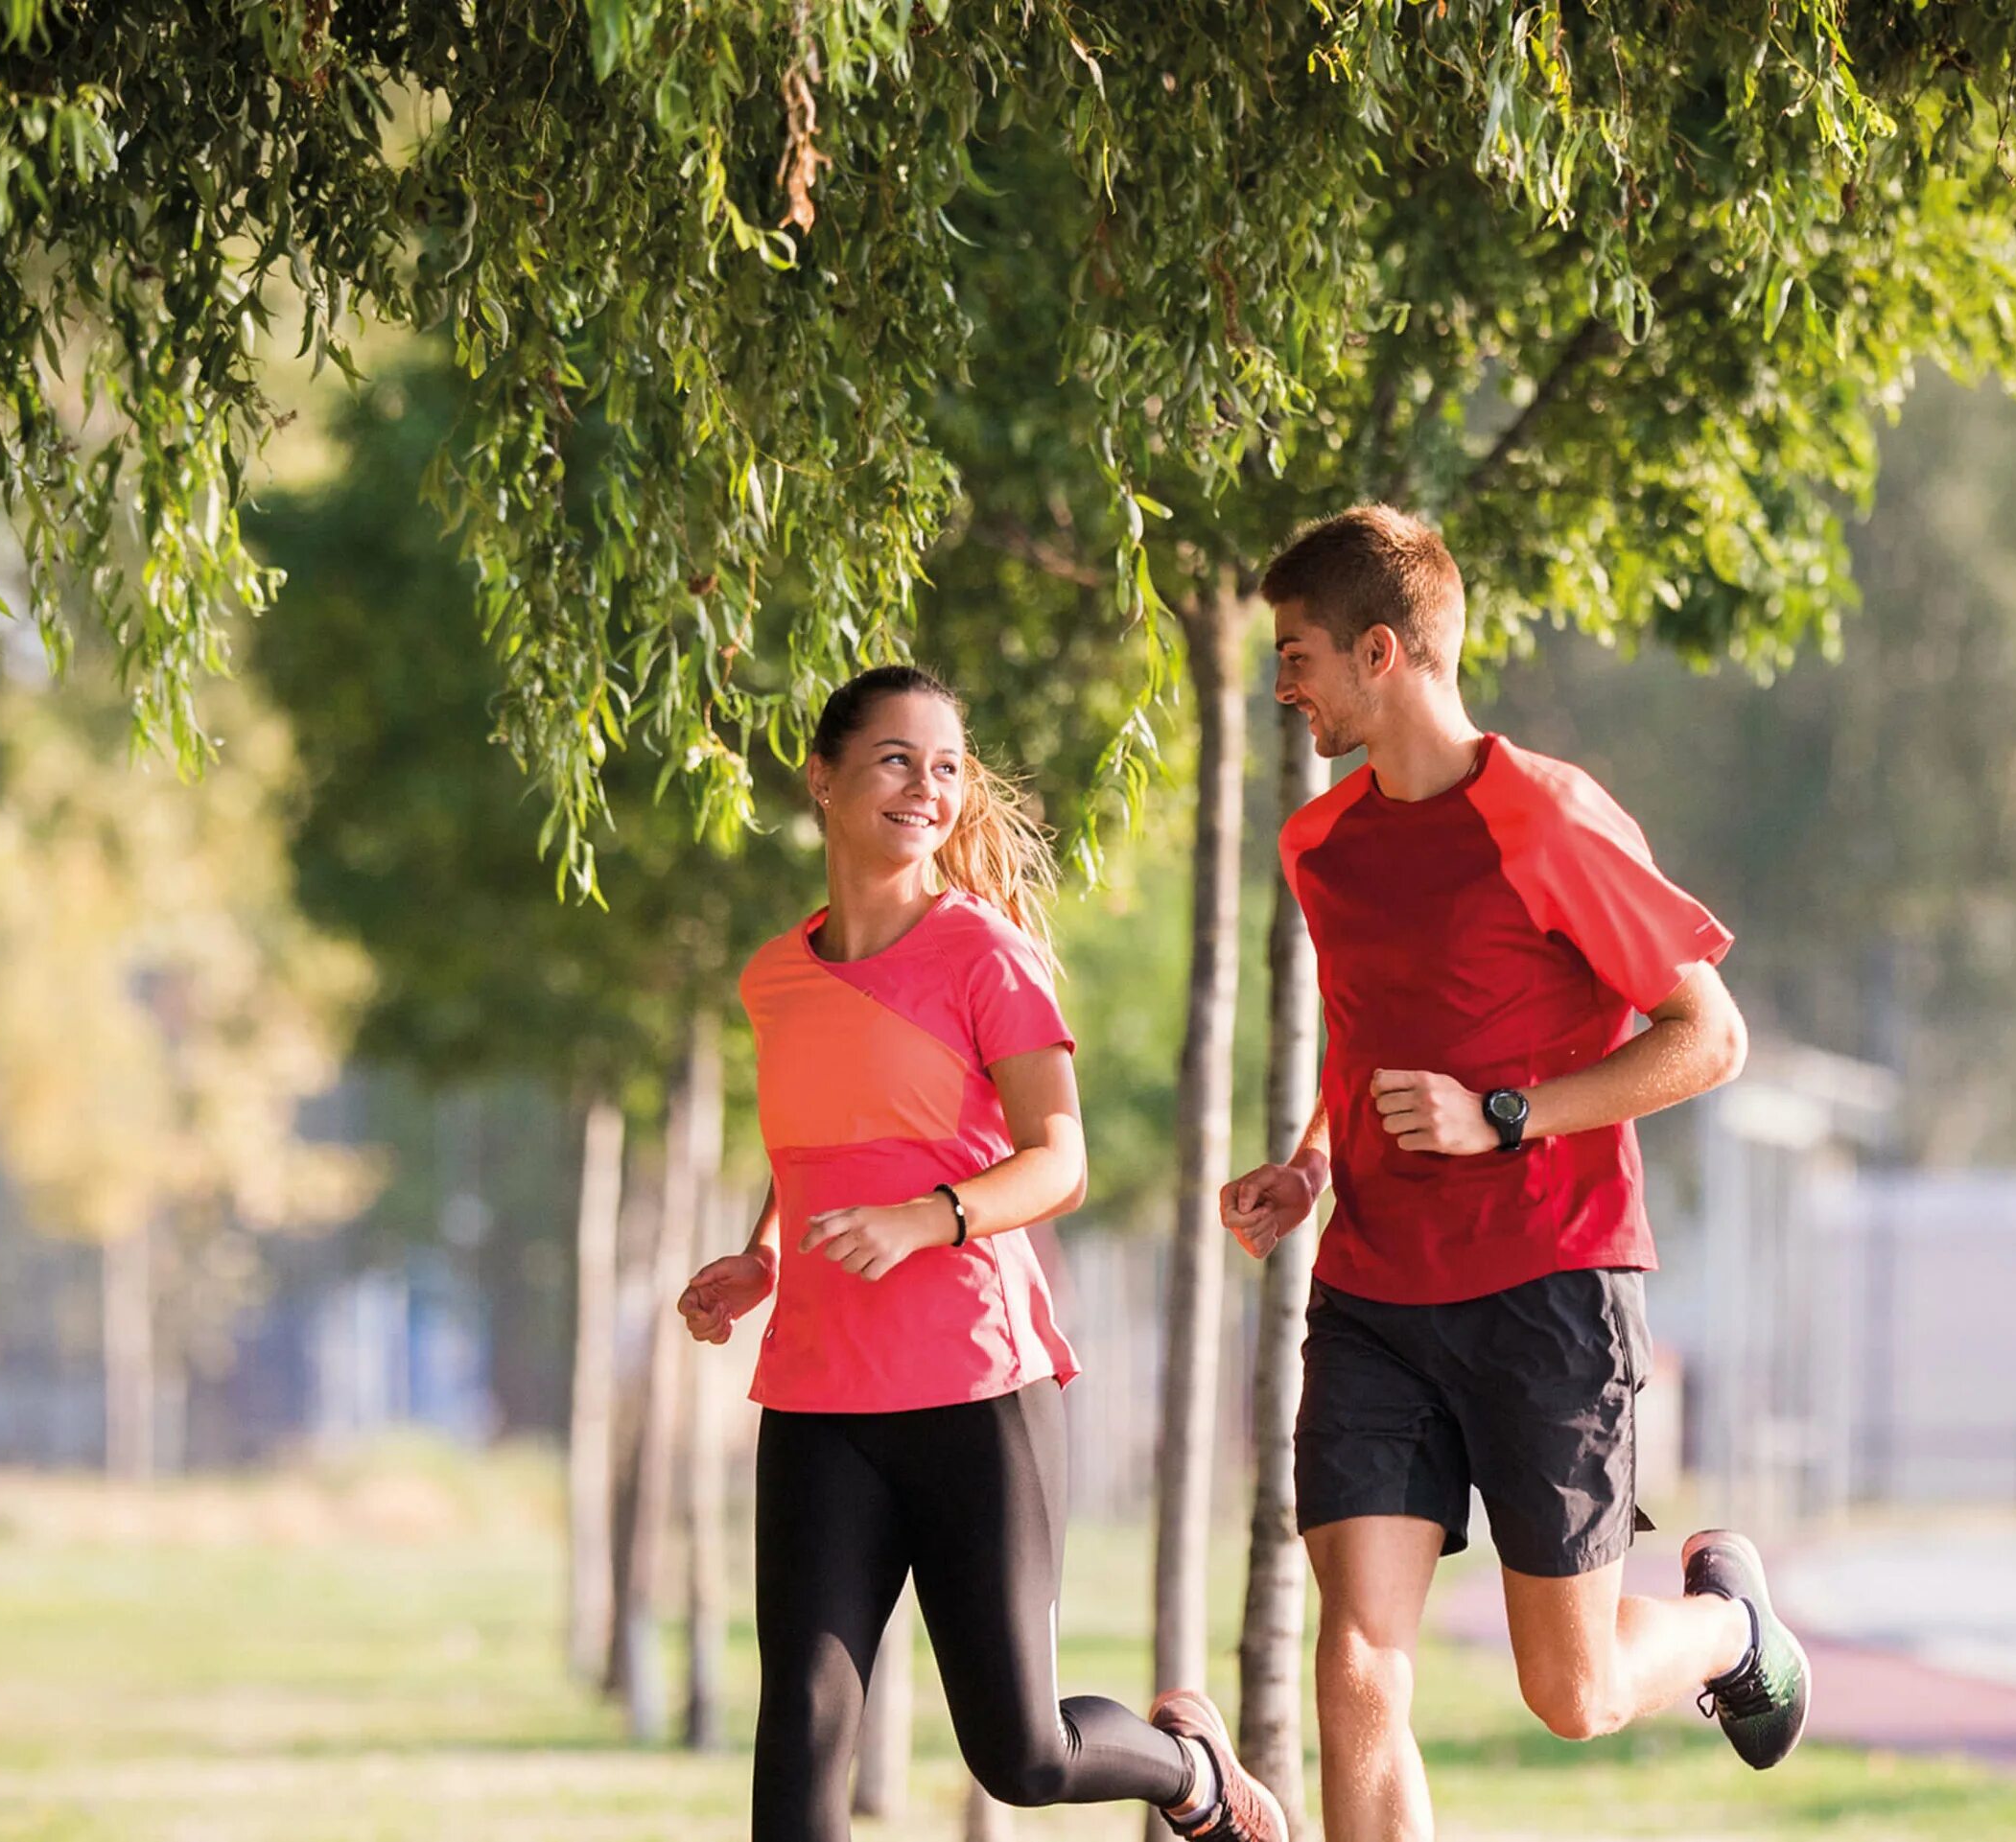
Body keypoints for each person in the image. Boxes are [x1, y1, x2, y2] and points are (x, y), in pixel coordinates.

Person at [1219, 507, 1812, 1842]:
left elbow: (1708, 1037)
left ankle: (1730, 1625)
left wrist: (1507, 1115)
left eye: (1299, 654)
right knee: (1358, 1663)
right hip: (1371, 1290)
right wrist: (1309, 1164)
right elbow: (1366, 1027)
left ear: (1382, 650)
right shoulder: (1323, 847)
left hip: (1550, 1284)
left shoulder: (1544, 818)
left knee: (1575, 1686)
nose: (1283, 686)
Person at [679, 665, 1286, 1842]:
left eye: (948, 765)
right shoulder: (775, 977)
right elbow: (816, 1143)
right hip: (817, 1398)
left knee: (1022, 1751)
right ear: (824, 776)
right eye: (898, 758)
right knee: (797, 1747)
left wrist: (924, 1219)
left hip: (974, 1389)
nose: (927, 786)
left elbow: (1060, 1160)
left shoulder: (984, 956)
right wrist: (760, 1255)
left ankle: (1191, 1773)